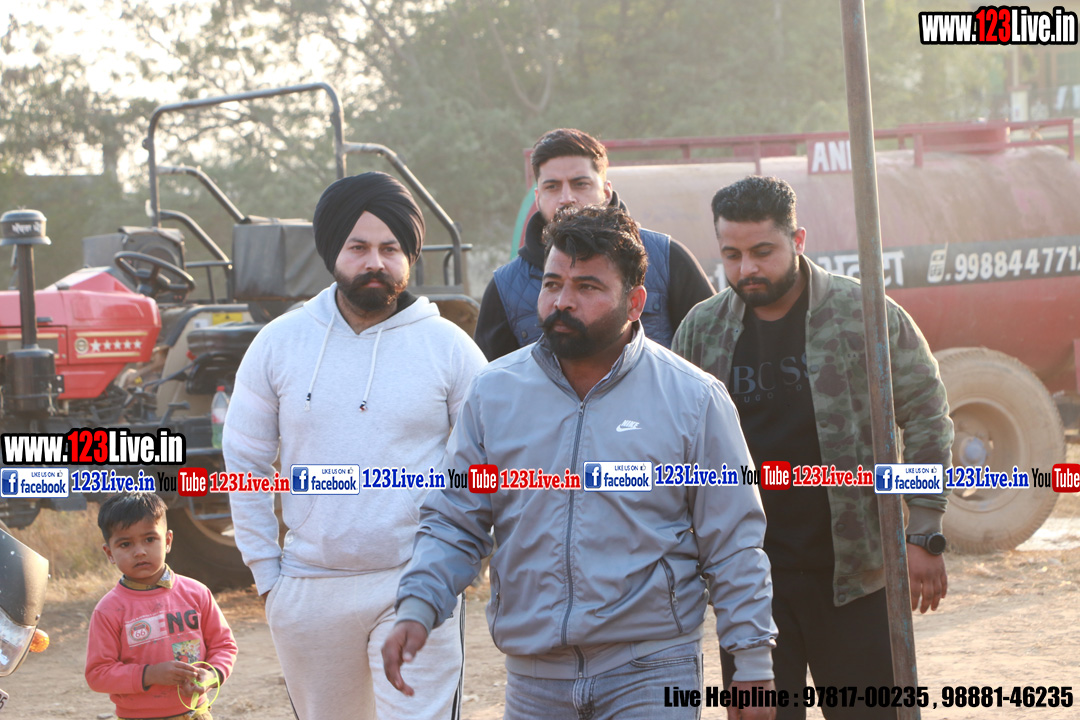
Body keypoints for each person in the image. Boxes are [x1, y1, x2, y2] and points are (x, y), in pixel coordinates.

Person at [384, 204, 778, 720]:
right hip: (534, 680)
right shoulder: (494, 394)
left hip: (651, 670)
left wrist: (752, 661)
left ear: (635, 302)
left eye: (588, 287)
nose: (562, 302)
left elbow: (733, 542)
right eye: (552, 284)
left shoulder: (694, 399)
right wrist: (418, 605)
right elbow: (455, 520)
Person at [672, 176, 952, 719]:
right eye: (732, 255)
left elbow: (925, 413)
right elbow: (676, 445)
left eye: (762, 252)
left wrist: (923, 530)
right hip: (750, 585)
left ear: (798, 240)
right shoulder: (702, 331)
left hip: (856, 577)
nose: (746, 269)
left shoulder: (863, 313)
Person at [225, 171, 487, 720]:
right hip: (308, 588)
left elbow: (488, 462)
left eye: (391, 249)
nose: (375, 262)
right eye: (359, 247)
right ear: (333, 253)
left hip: (416, 583)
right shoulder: (279, 342)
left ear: (410, 256)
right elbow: (245, 460)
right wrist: (268, 577)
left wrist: (461, 563)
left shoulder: (449, 347)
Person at [474, 127, 715, 360]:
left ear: (607, 192)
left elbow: (715, 350)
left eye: (580, 184)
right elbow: (493, 380)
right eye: (552, 186)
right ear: (538, 198)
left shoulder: (667, 259)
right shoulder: (505, 288)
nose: (566, 198)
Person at [86, 492, 238, 720]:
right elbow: (98, 674)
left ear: (167, 541)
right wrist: (149, 674)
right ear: (110, 553)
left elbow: (224, 646)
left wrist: (210, 676)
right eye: (125, 544)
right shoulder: (109, 610)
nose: (139, 551)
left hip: (196, 713)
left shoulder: (197, 594)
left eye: (149, 539)